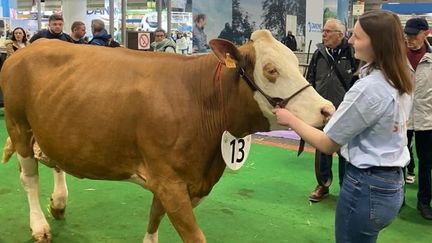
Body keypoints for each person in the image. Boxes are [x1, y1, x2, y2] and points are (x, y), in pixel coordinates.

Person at [273, 10, 412, 242]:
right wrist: (339, 115)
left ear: (376, 42)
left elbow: (327, 144)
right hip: (390, 186)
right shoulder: (400, 77)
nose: (350, 40)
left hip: (365, 188)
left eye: (357, 36)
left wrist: (291, 119)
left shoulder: (367, 87)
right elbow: (376, 122)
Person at [306, 18, 357, 202]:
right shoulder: (319, 53)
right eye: (323, 31)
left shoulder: (352, 53)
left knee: (345, 152)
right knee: (322, 151)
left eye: (328, 31)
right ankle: (323, 184)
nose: (324, 34)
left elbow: (357, 82)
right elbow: (309, 80)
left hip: (345, 113)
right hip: (322, 112)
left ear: (340, 35)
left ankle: (346, 188)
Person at [404, 17, 432, 220]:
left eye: (414, 35)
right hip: (401, 119)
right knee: (398, 161)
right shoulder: (397, 57)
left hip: (427, 118)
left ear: (426, 33)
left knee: (426, 162)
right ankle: (397, 198)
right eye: (407, 34)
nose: (410, 38)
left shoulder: (431, 58)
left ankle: (424, 202)